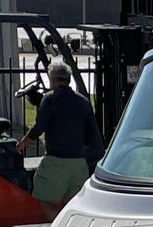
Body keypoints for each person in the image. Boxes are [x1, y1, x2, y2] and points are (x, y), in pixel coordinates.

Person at [14, 60, 102, 207]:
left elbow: (38, 128)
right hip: (79, 165)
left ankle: (54, 220)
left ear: (52, 79)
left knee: (43, 202)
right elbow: (91, 135)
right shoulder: (83, 102)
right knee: (74, 205)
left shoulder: (49, 99)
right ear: (69, 79)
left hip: (55, 162)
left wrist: (21, 144)